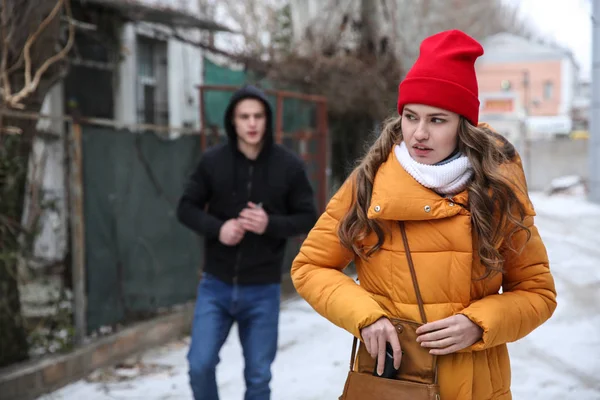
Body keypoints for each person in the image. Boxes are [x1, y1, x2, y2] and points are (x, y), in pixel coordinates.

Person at [291, 30, 556, 400]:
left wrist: (479, 324)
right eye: (411, 116)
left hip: (478, 386)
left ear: (463, 126)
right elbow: (310, 267)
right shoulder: (369, 184)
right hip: (391, 382)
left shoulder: (498, 193)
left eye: (437, 120)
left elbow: (537, 293)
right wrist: (366, 316)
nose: (418, 134)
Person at [177, 84, 318, 400]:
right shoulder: (212, 162)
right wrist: (218, 228)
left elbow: (309, 218)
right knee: (199, 365)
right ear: (233, 121)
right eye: (244, 117)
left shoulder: (289, 166)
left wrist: (270, 224)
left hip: (262, 289)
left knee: (258, 378)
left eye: (257, 116)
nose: (251, 124)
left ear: (267, 120)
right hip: (216, 285)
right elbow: (185, 208)